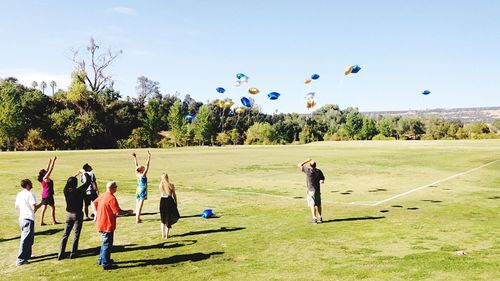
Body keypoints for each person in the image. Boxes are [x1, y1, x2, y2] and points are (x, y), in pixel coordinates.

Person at [92, 181, 133, 270]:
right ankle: (105, 263)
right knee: (107, 244)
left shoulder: (102, 195)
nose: (116, 188)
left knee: (104, 243)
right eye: (115, 187)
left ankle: (101, 259)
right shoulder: (111, 198)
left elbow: (94, 203)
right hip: (107, 224)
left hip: (100, 223)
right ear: (112, 188)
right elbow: (117, 212)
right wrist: (128, 212)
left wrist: (95, 213)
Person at [58, 170, 92, 260]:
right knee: (76, 234)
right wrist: (84, 172)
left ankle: (60, 253)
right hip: (77, 214)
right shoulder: (79, 191)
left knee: (65, 234)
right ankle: (73, 252)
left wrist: (75, 174)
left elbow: (68, 183)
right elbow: (88, 181)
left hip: (68, 214)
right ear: (76, 184)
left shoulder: (65, 190)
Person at [15, 179, 42, 265]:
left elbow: (17, 207)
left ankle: (27, 255)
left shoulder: (19, 194)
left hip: (22, 218)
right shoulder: (30, 194)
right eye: (30, 183)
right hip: (28, 218)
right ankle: (20, 260)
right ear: (27, 185)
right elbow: (34, 208)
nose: (31, 184)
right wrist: (42, 203)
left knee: (29, 238)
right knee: (26, 239)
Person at [297, 158, 325, 224]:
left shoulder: (308, 170)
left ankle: (314, 218)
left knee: (312, 205)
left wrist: (307, 160)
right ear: (316, 165)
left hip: (311, 190)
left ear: (310, 165)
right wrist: (322, 180)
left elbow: (299, 165)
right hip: (317, 190)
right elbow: (322, 178)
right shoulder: (319, 171)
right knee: (318, 204)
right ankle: (320, 218)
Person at [38, 156, 60, 225]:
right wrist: (54, 161)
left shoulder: (42, 178)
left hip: (44, 195)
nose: (46, 171)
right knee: (53, 208)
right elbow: (50, 169)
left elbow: (47, 169)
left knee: (44, 208)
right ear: (44, 173)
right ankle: (54, 221)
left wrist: (49, 161)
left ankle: (41, 222)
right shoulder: (46, 178)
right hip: (49, 195)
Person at [159, 173, 180, 239]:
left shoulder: (160, 185)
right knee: (168, 219)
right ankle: (167, 235)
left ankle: (163, 235)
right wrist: (176, 202)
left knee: (162, 220)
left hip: (162, 201)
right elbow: (174, 195)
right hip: (169, 201)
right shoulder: (171, 185)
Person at [132, 151, 151, 223]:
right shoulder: (143, 175)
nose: (143, 167)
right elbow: (147, 166)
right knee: (140, 205)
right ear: (142, 170)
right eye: (142, 167)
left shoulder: (137, 174)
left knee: (137, 203)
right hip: (142, 189)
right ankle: (137, 219)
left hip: (138, 189)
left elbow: (136, 165)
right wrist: (149, 157)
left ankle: (137, 217)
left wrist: (135, 157)